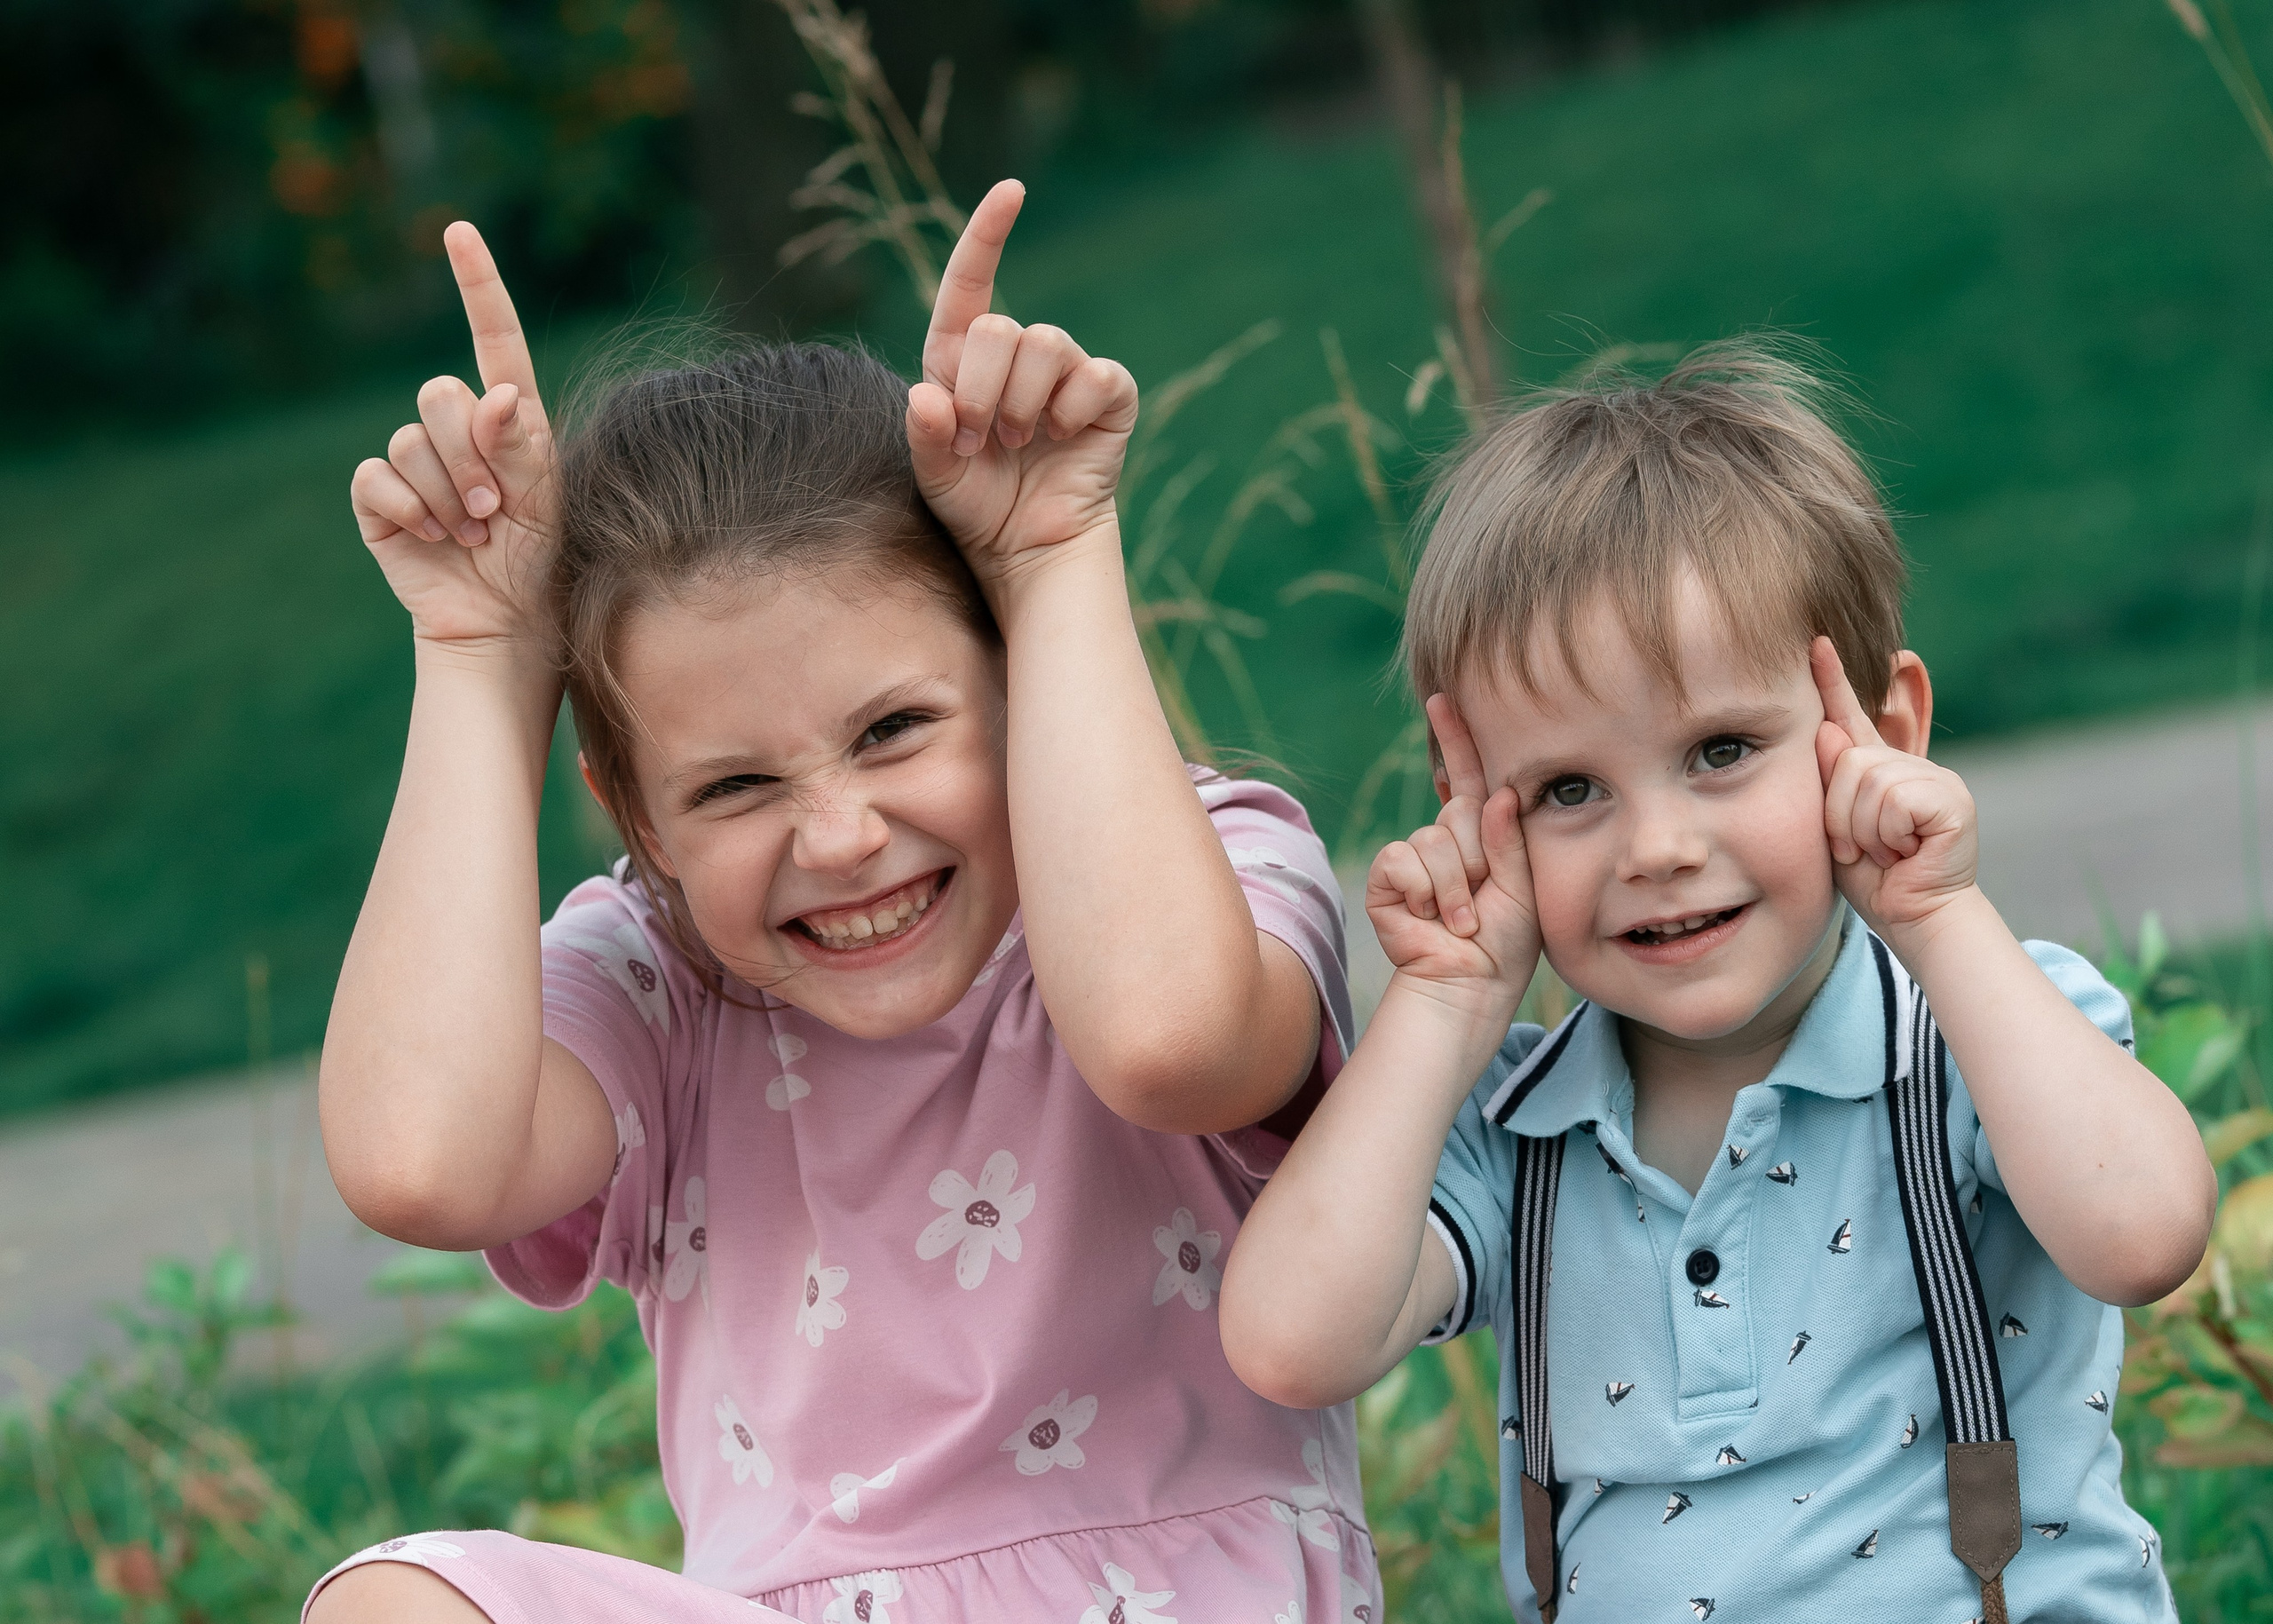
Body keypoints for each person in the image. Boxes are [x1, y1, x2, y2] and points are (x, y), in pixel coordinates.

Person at [310, 180, 1378, 1624]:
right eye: (734, 787)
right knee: (402, 1602)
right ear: (641, 822)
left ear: (1018, 684)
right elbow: (421, 1162)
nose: (838, 832)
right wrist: (483, 652)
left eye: (894, 730)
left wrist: (1053, 562)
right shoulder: (662, 984)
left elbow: (1166, 1040)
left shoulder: (1204, 867)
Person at [1219, 345, 2214, 1623]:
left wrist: (1943, 918)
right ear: (1479, 808)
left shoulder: (1975, 1037)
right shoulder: (1516, 1133)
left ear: (1885, 733)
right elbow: (1289, 1344)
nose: (1656, 847)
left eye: (1722, 750)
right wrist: (1447, 1000)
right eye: (1571, 789)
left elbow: (2143, 1233)